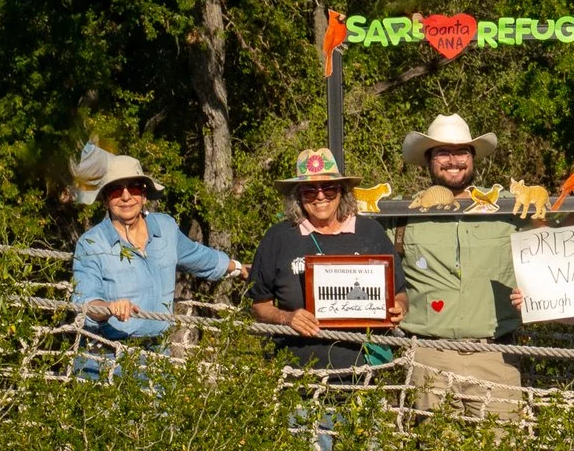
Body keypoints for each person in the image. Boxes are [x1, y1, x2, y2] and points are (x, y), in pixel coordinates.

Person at [394, 112, 528, 417]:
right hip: (427, 358)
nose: (453, 160)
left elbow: (555, 243)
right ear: (428, 159)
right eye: (443, 152)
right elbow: (367, 256)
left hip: (496, 356)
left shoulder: (508, 207)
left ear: (473, 157)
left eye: (461, 152)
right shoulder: (403, 213)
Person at [70, 155, 244, 376]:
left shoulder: (166, 228)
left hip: (156, 356)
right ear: (105, 199)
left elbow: (197, 256)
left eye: (133, 188)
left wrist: (238, 267)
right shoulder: (91, 243)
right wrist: (109, 308)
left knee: (162, 410)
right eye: (115, 190)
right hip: (103, 358)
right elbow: (84, 301)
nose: (125, 197)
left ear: (144, 194)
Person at [248, 148, 409, 378]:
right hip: (295, 379)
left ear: (342, 191)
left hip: (364, 377)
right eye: (310, 190)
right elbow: (258, 306)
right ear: (298, 195)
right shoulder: (278, 237)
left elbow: (400, 293)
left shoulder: (371, 232)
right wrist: (288, 318)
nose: (320, 196)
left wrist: (398, 308)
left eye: (328, 188)